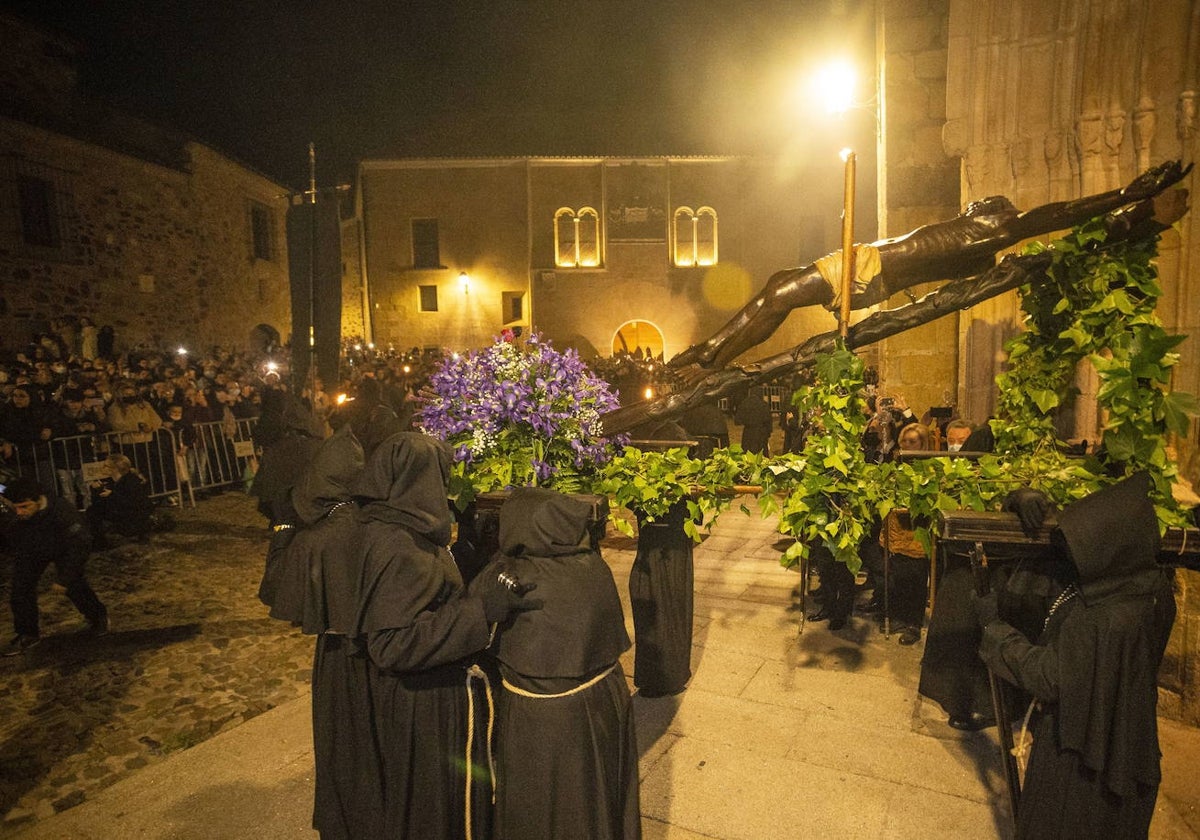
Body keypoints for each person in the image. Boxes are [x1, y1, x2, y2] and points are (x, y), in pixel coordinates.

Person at [669, 161, 1189, 373]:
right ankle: (711, 353)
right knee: (778, 287)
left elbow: (1054, 216)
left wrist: (1124, 195)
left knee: (780, 290)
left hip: (869, 268)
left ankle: (709, 357)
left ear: (992, 211)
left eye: (978, 203)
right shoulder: (971, 233)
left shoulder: (993, 227)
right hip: (870, 263)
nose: (969, 206)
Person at [292, 431, 540, 840]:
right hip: (418, 706)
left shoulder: (395, 525)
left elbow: (423, 594)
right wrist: (481, 612)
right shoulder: (397, 544)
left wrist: (470, 552)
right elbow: (393, 644)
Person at [974, 472, 1175, 839]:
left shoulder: (1100, 617)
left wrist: (993, 630)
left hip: (1078, 759)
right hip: (1131, 751)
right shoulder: (1153, 589)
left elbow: (1048, 676)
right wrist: (1019, 498)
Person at [469, 487, 640, 840]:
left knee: (542, 808)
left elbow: (475, 631)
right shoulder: (593, 565)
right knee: (592, 800)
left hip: (540, 721)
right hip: (605, 703)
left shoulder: (508, 574)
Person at [1, 475, 108, 655]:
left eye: (24, 507)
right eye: (16, 508)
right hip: (32, 547)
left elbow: (80, 545)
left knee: (74, 585)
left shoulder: (63, 512)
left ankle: (98, 617)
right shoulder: (20, 511)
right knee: (21, 588)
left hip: (65, 548)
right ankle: (27, 633)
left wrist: (65, 578)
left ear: (38, 500)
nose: (19, 512)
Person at [880, 422, 932, 645]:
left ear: (923, 443)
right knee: (897, 577)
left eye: (913, 441)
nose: (907, 445)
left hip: (915, 533)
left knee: (916, 580)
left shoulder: (929, 467)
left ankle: (914, 623)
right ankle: (900, 616)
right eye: (905, 441)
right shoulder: (895, 464)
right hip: (896, 530)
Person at [86, 453, 154, 548]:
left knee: (93, 511)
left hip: (133, 516)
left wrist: (112, 495)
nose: (103, 468)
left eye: (106, 466)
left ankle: (101, 542)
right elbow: (99, 502)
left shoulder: (131, 481)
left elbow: (134, 503)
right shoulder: (111, 481)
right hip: (123, 512)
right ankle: (100, 540)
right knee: (93, 510)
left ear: (115, 469)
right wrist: (95, 490)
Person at [733, 385, 772, 455]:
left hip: (748, 433)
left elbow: (737, 420)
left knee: (748, 456)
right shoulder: (764, 404)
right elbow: (768, 420)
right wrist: (768, 433)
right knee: (762, 457)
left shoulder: (744, 403)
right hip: (761, 433)